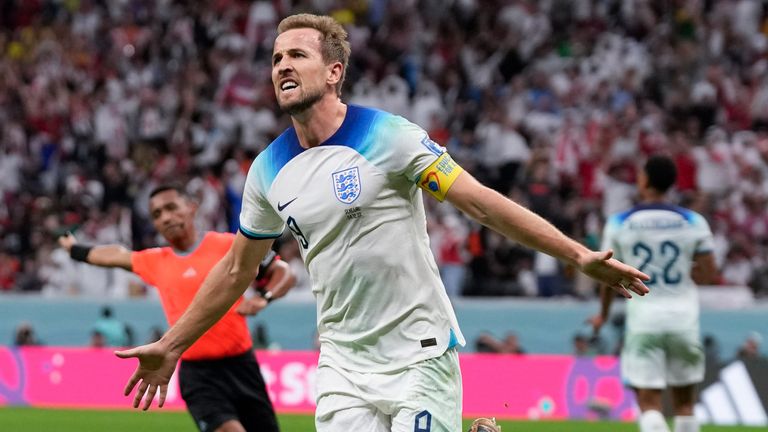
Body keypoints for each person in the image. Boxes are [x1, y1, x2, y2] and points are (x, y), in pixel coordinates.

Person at [115, 14, 649, 432]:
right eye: (276, 58)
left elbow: (480, 203)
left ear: (333, 72)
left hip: (418, 351)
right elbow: (235, 271)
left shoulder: (388, 135)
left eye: (297, 55)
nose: (282, 66)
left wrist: (578, 255)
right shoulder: (266, 171)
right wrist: (172, 345)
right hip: (342, 364)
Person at [59, 184, 296, 432]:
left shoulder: (229, 245)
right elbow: (116, 255)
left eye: (171, 208)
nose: (165, 217)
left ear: (191, 208)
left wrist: (264, 297)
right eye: (157, 214)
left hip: (243, 365)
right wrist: (74, 249)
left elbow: (283, 272)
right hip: (198, 375)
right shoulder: (155, 260)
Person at [589, 155, 719, 432]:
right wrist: (685, 273)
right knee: (685, 406)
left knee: (649, 404)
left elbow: (606, 276)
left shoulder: (620, 223)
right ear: (673, 183)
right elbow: (708, 273)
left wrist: (602, 315)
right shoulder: (693, 221)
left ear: (644, 180)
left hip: (644, 320)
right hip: (683, 319)